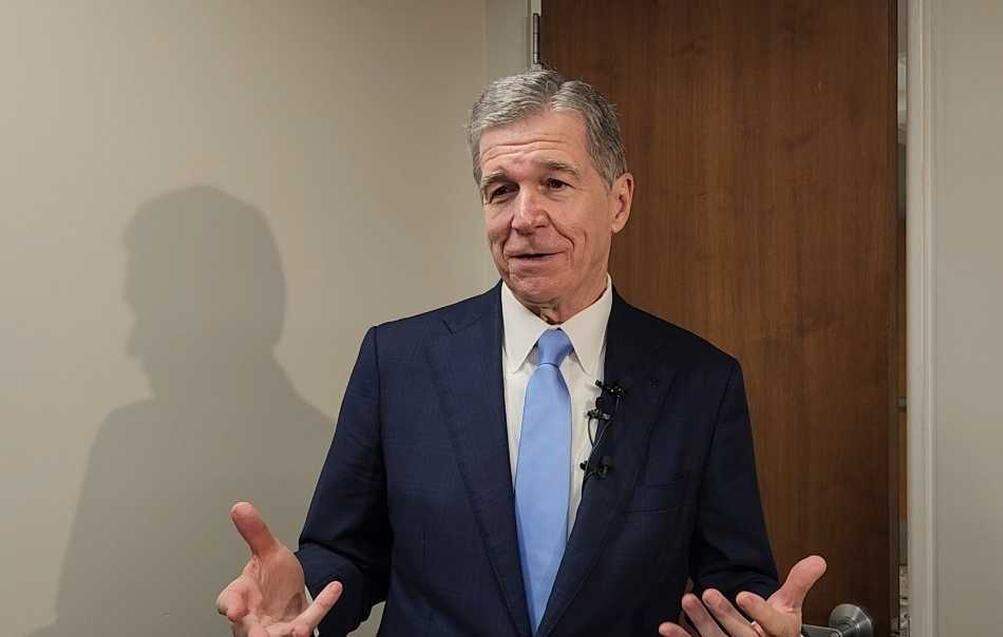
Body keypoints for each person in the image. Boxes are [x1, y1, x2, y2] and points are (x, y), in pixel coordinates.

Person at [216, 67, 826, 637]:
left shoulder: (700, 380)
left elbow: (734, 580)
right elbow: (347, 550)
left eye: (555, 184)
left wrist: (750, 620)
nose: (524, 217)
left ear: (619, 201)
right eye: (501, 190)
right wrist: (305, 601)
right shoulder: (398, 360)